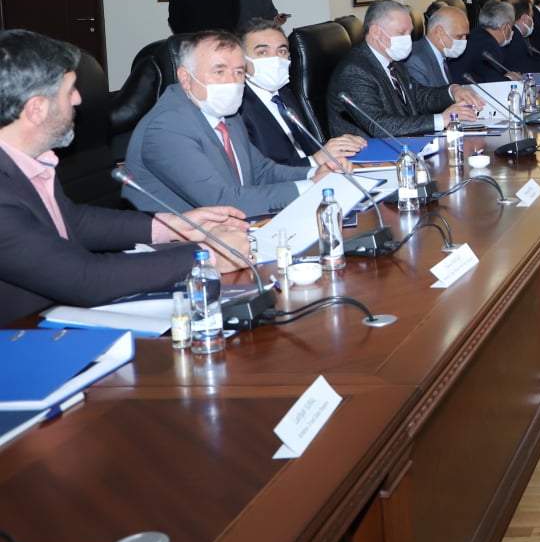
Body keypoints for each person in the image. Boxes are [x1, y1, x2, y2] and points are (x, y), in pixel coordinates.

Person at [0, 30, 251, 325]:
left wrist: (176, 226)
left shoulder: (30, 159)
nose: (79, 99)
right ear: (37, 109)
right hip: (25, 335)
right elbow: (85, 280)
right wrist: (206, 257)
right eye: (69, 91)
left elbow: (73, 221)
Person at [124, 31, 329, 217]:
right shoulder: (167, 127)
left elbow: (262, 171)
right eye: (219, 72)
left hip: (233, 229)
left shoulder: (225, 112)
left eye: (238, 72)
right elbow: (222, 201)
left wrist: (317, 172)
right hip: (179, 242)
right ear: (185, 78)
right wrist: (310, 187)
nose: (232, 82)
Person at [327, 0, 481, 140]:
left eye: (410, 33)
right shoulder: (354, 71)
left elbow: (418, 97)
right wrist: (442, 119)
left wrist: (452, 91)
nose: (408, 39)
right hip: (370, 152)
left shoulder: (393, 61)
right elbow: (378, 125)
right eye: (401, 33)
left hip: (403, 143)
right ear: (376, 32)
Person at [236, 19, 365, 170]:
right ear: (241, 60)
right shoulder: (238, 109)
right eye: (262, 52)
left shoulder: (285, 94)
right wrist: (315, 160)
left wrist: (338, 145)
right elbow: (261, 173)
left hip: (317, 173)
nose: (275, 59)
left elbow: (304, 148)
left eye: (281, 51)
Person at [405, 4, 470, 89]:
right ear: (439, 32)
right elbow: (424, 96)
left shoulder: (441, 55)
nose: (464, 41)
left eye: (466, 36)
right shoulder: (416, 60)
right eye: (459, 36)